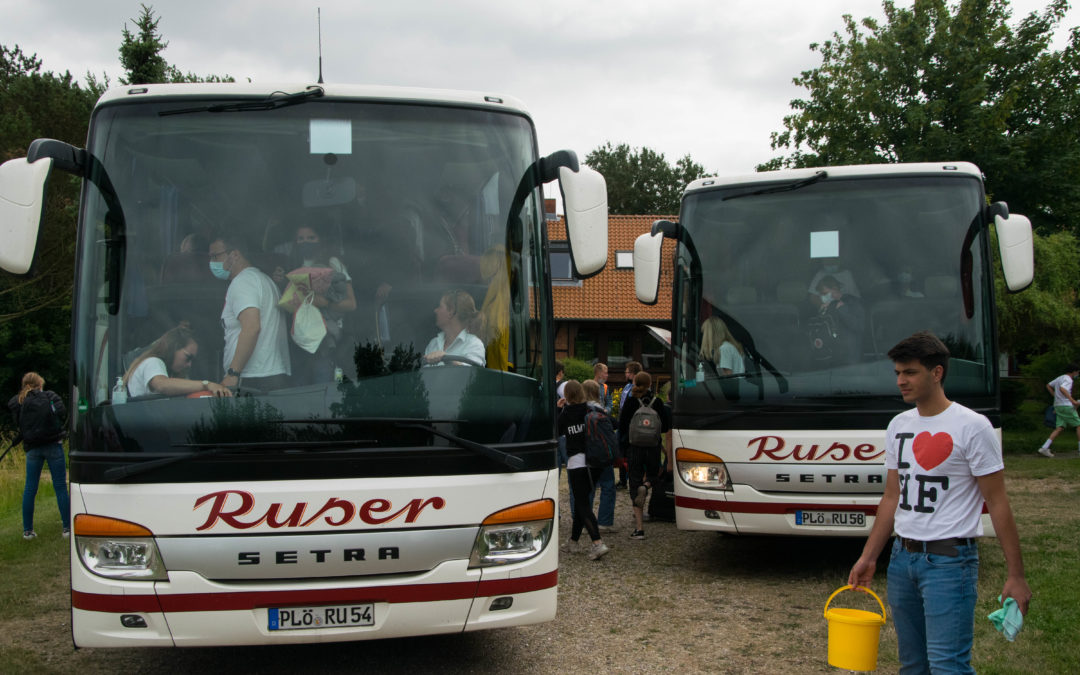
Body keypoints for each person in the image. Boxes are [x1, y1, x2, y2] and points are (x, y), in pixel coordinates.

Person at [847, 331, 1032, 674]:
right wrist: (869, 556)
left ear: (937, 372)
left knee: (948, 665)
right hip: (903, 560)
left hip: (950, 562)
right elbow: (892, 497)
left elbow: (998, 502)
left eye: (910, 372)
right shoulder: (898, 425)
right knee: (912, 665)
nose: (901, 381)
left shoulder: (973, 427)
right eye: (898, 373)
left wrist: (1016, 575)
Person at [273, 224, 357, 383]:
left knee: (322, 387)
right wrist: (279, 281)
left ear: (321, 239)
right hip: (297, 341)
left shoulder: (332, 263)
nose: (305, 242)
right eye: (301, 239)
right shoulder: (290, 265)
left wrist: (324, 303)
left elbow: (351, 304)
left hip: (325, 342)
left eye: (311, 238)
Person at [209, 233, 291, 390]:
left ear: (235, 254)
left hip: (254, 379)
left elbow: (251, 327)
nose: (211, 262)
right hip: (269, 375)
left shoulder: (243, 282)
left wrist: (233, 373)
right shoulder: (263, 280)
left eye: (215, 256)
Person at [7, 372, 71, 540]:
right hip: (52, 445)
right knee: (60, 487)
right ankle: (67, 528)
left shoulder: (19, 402)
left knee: (30, 488)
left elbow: (18, 423)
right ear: (40, 384)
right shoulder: (49, 396)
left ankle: (27, 530)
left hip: (32, 449)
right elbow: (62, 411)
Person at [556, 380, 610, 560]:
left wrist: (559, 409)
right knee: (583, 501)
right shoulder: (592, 409)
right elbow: (613, 423)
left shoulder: (567, 413)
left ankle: (597, 543)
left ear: (567, 395)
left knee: (582, 503)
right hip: (595, 462)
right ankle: (573, 541)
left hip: (577, 462)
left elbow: (555, 430)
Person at [618, 371, 672, 540]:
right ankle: (647, 486)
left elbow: (622, 424)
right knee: (654, 476)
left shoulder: (631, 401)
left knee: (634, 482)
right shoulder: (658, 402)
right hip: (653, 447)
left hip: (634, 447)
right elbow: (664, 427)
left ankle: (639, 528)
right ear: (650, 384)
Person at [123, 326, 233, 398]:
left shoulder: (164, 369)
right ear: (173, 348)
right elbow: (162, 385)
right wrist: (207, 385)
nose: (189, 364)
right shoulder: (153, 362)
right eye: (187, 357)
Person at [583, 379, 617, 533]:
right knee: (608, 486)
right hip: (603, 453)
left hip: (586, 454)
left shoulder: (580, 410)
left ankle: (585, 522)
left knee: (587, 489)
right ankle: (605, 521)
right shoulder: (600, 410)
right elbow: (614, 424)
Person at [422, 289, 486, 367]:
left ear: (451, 311)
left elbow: (472, 375)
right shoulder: (433, 344)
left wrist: (447, 359)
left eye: (440, 306)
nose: (435, 310)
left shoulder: (474, 344)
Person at [815, 275, 865, 364]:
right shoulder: (827, 306)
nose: (823, 297)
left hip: (851, 355)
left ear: (834, 288)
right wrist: (823, 312)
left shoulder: (852, 301)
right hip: (833, 355)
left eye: (825, 293)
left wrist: (843, 310)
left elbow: (859, 327)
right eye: (821, 295)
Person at [1038, 364, 1080, 457]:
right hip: (1066, 406)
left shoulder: (1060, 378)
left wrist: (1055, 396)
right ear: (1074, 371)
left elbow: (1048, 385)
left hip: (1058, 406)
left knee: (1059, 428)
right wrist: (1072, 400)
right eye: (1077, 372)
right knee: (1078, 425)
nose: (1078, 374)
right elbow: (1063, 388)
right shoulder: (1069, 380)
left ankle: (1045, 447)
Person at [613, 361, 643, 490]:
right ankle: (622, 479)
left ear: (633, 373)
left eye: (627, 372)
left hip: (632, 424)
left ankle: (633, 478)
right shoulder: (626, 387)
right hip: (622, 422)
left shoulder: (638, 388)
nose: (625, 374)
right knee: (621, 451)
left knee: (630, 452)